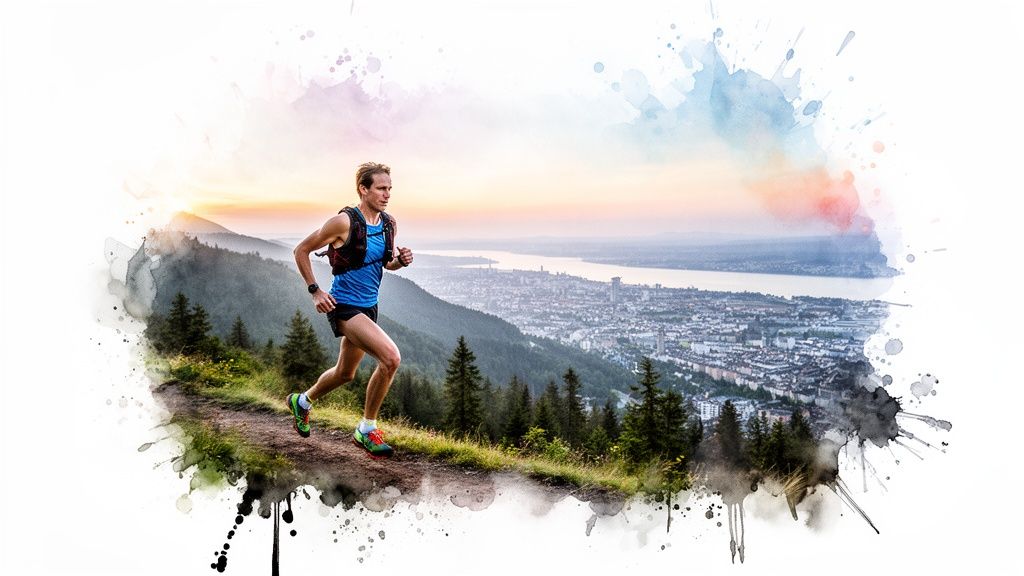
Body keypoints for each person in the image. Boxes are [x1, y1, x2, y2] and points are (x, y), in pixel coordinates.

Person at [287, 162, 413, 458]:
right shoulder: (342, 222)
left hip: (369, 307)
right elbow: (300, 250)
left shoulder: (387, 224)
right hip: (344, 306)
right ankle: (366, 429)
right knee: (391, 358)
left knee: (345, 373)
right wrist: (315, 291)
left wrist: (400, 262)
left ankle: (302, 402)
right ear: (363, 189)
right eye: (381, 188)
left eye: (390, 189)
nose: (387, 195)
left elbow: (384, 263)